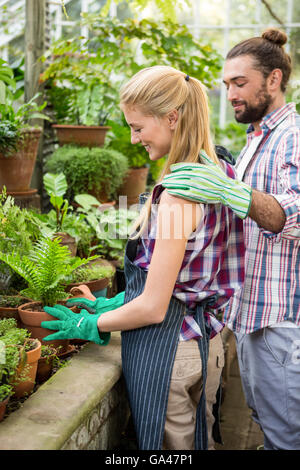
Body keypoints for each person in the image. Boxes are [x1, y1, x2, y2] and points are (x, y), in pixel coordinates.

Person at [41, 65, 245, 450]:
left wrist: (94, 323)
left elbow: (153, 308)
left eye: (138, 127)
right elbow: (186, 274)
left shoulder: (177, 194)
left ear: (172, 118)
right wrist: (116, 302)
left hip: (172, 352)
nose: (134, 139)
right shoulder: (219, 172)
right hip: (209, 342)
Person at [161, 29, 300, 450]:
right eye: (226, 85)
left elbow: (294, 211)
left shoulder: (292, 135)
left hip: (281, 323)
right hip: (254, 317)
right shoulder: (257, 141)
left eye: (240, 83)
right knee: (269, 423)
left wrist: (234, 192)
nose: (231, 93)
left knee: (287, 435)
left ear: (273, 80)